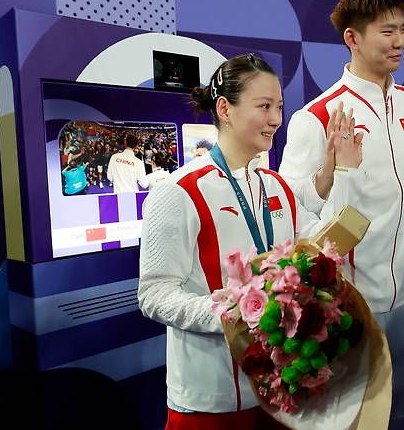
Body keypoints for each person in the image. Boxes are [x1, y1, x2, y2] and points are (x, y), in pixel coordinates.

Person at [278, 0, 404, 430]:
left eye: (402, 29)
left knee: (402, 412)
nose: (399, 41)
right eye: (387, 31)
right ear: (353, 38)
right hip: (347, 303)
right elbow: (291, 212)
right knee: (354, 420)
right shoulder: (317, 116)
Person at [137, 53, 362, 430]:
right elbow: (154, 294)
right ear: (225, 108)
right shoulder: (179, 191)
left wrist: (344, 171)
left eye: (279, 107)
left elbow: (323, 247)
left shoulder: (275, 187)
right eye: (264, 106)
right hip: (212, 396)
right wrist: (235, 315)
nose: (276, 119)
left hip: (283, 389)